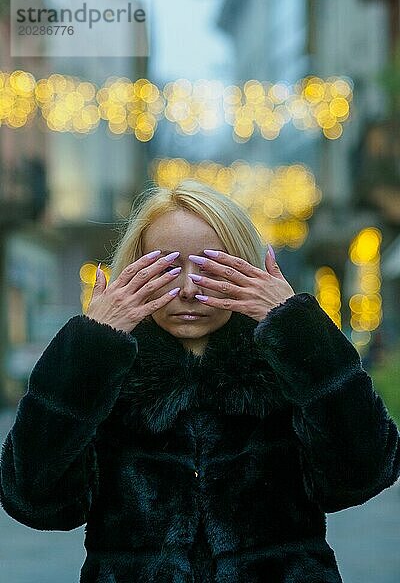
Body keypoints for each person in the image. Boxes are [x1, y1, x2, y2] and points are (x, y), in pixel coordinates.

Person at [0, 179, 399, 583]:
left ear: (243, 265)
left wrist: (300, 334)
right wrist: (88, 353)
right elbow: (35, 500)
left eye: (209, 267)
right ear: (136, 269)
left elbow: (363, 474)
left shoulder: (286, 366)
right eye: (169, 268)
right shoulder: (106, 375)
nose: (189, 289)